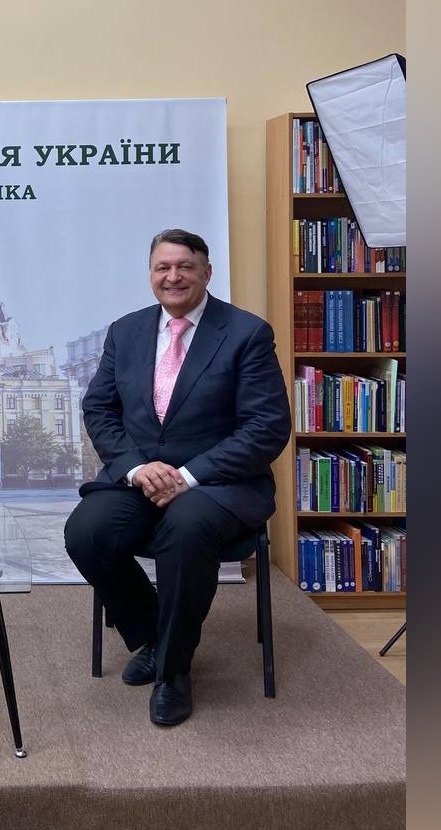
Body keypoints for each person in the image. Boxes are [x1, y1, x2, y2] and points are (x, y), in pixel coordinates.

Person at [65, 228, 291, 726]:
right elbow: (100, 408)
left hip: (218, 482)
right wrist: (135, 467)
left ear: (206, 272)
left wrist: (188, 476)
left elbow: (267, 427)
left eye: (185, 267)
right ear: (150, 274)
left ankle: (172, 672)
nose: (173, 277)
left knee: (185, 531)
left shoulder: (246, 333)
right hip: (142, 476)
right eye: (162, 267)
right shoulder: (125, 332)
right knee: (86, 532)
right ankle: (155, 634)